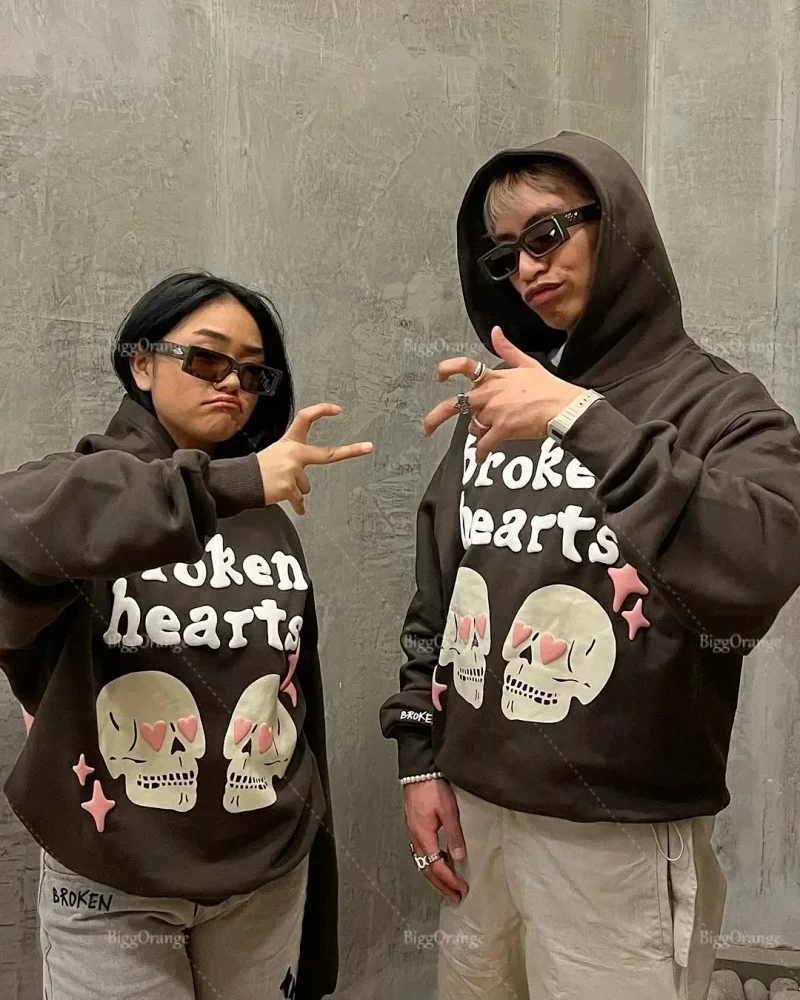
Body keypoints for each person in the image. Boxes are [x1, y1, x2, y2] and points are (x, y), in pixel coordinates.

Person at [380, 131, 800, 999]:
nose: (526, 269)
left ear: (619, 225)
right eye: (504, 255)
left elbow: (761, 564)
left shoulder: (719, 404)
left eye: (546, 234)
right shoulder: (499, 399)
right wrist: (420, 758)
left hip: (617, 832)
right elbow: (440, 587)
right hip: (476, 808)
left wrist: (580, 418)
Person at [0, 270, 373, 1000]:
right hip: (113, 877)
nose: (231, 381)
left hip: (262, 872)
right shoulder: (86, 489)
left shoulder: (268, 516)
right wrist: (231, 484)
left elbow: (296, 700)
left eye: (252, 371)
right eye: (206, 358)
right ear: (141, 363)